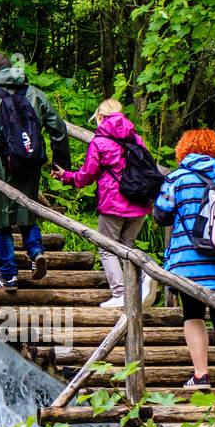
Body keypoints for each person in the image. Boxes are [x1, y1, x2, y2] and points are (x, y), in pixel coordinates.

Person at [153, 128, 215, 388]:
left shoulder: (177, 178)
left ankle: (201, 375)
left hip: (190, 262)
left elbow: (161, 215)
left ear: (183, 150)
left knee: (193, 314)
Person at [0, 53, 70, 291]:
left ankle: (9, 276)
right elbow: (58, 129)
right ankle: (36, 252)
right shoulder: (35, 94)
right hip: (30, 161)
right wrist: (61, 164)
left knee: (1, 219)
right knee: (26, 209)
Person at [52, 98, 158, 309]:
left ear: (100, 116)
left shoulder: (99, 142)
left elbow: (86, 176)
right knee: (127, 246)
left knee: (107, 248)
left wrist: (66, 176)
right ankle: (144, 275)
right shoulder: (136, 139)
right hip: (139, 201)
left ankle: (120, 293)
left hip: (113, 202)